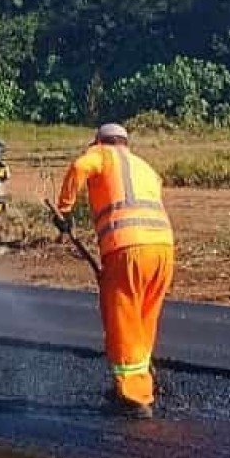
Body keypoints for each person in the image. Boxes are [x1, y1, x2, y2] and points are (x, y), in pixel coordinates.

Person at [53, 122, 176, 418]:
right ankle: (141, 378)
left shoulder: (101, 155)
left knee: (122, 318)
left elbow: (80, 166)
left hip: (127, 249)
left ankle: (134, 397)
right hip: (163, 249)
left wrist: (64, 209)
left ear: (100, 140)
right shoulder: (144, 166)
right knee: (144, 318)